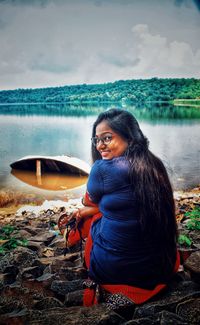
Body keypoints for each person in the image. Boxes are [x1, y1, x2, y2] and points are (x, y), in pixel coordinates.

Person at [67, 108, 179, 305]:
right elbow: (128, 203)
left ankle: (88, 265)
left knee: (89, 219)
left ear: (129, 137)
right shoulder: (153, 163)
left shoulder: (102, 169)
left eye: (107, 138)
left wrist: (90, 209)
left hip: (115, 273)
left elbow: (88, 201)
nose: (100, 145)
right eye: (96, 140)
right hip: (161, 268)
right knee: (103, 214)